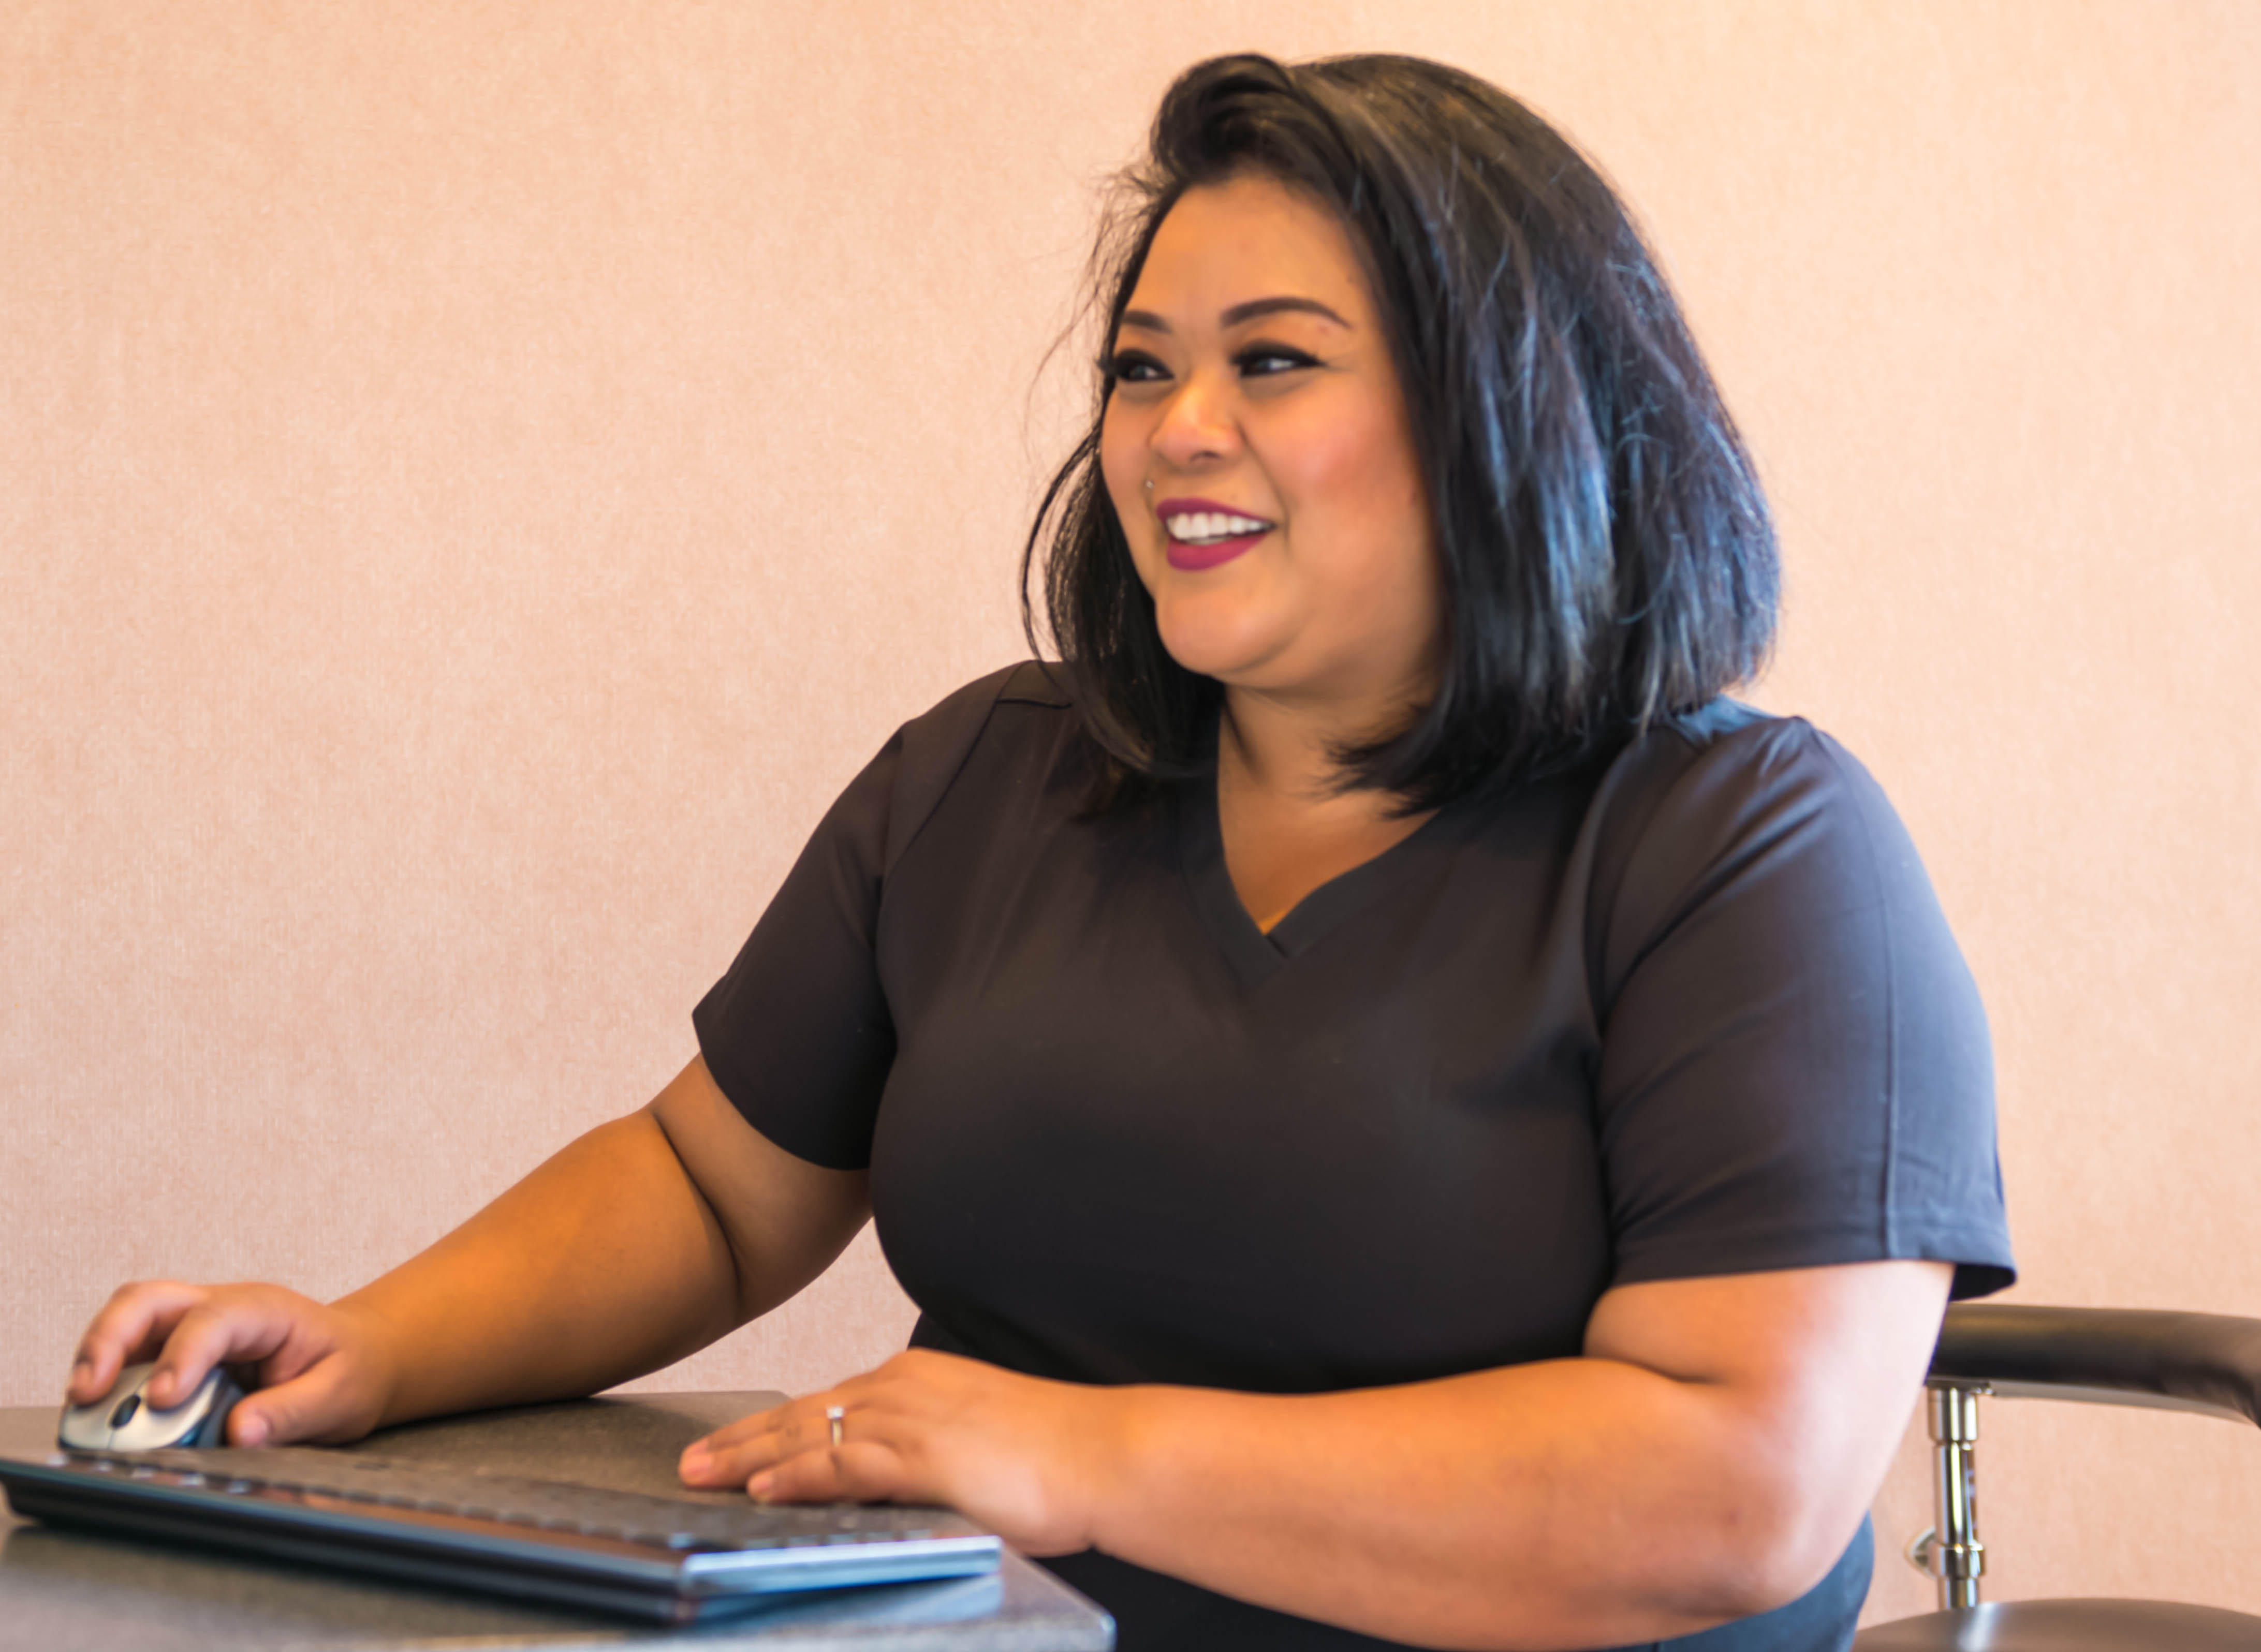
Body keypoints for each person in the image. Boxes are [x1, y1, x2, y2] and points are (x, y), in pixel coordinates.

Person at [65, 52, 2013, 1652]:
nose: (1174, 432)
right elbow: (710, 1184)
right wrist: (369, 1344)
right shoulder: (999, 774)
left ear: (1512, 413)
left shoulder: (1749, 852)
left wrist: (1074, 1458)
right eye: (1143, 367)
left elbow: (1735, 1483)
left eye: (1272, 362)